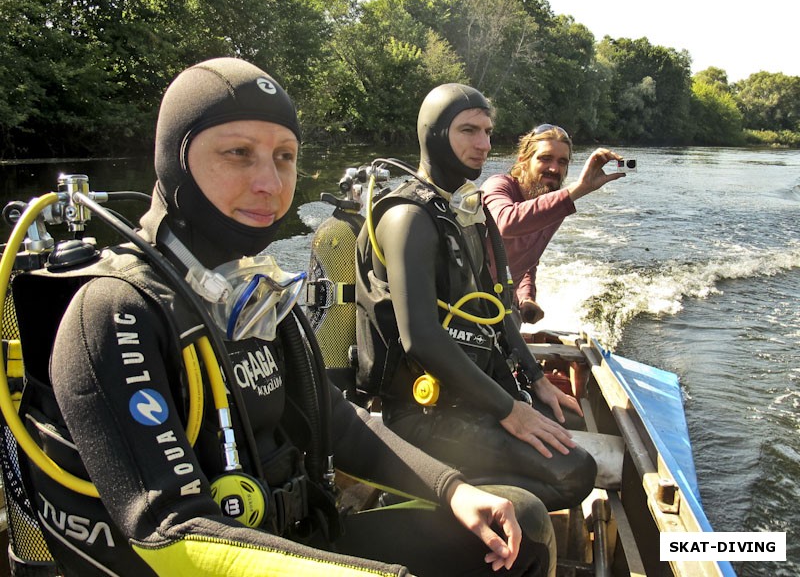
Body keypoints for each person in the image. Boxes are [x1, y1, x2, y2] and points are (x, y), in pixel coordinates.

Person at [8, 59, 556, 576]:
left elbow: (335, 419)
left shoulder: (249, 290)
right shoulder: (117, 311)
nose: (270, 183)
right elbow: (171, 537)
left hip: (302, 535)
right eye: (238, 153)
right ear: (177, 160)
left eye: (285, 156)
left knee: (521, 525)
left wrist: (454, 488)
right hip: (209, 560)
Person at [355, 84, 597, 512]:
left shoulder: (465, 211)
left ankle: (454, 485)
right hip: (422, 412)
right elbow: (421, 341)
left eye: (487, 132)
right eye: (468, 131)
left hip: (465, 391)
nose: (483, 144)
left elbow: (499, 311)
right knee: (575, 474)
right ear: (433, 133)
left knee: (569, 418)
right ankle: (427, 494)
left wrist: (536, 382)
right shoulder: (409, 216)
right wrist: (510, 410)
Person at [480, 125, 627, 324]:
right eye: (545, 158)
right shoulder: (498, 185)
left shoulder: (554, 205)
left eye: (562, 162)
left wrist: (527, 297)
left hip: (504, 304)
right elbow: (506, 222)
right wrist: (578, 189)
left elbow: (528, 259)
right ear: (523, 161)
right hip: (468, 300)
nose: (554, 169)